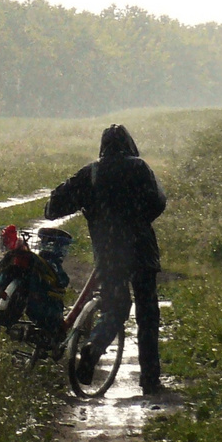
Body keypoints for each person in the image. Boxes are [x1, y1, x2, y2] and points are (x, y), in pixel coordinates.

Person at [44, 124, 168, 393]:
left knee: (115, 307)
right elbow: (158, 202)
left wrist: (93, 211)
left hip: (110, 254)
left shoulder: (92, 173)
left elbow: (54, 207)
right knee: (147, 313)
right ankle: (150, 380)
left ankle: (93, 347)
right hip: (141, 251)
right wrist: (136, 219)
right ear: (130, 144)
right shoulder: (140, 168)